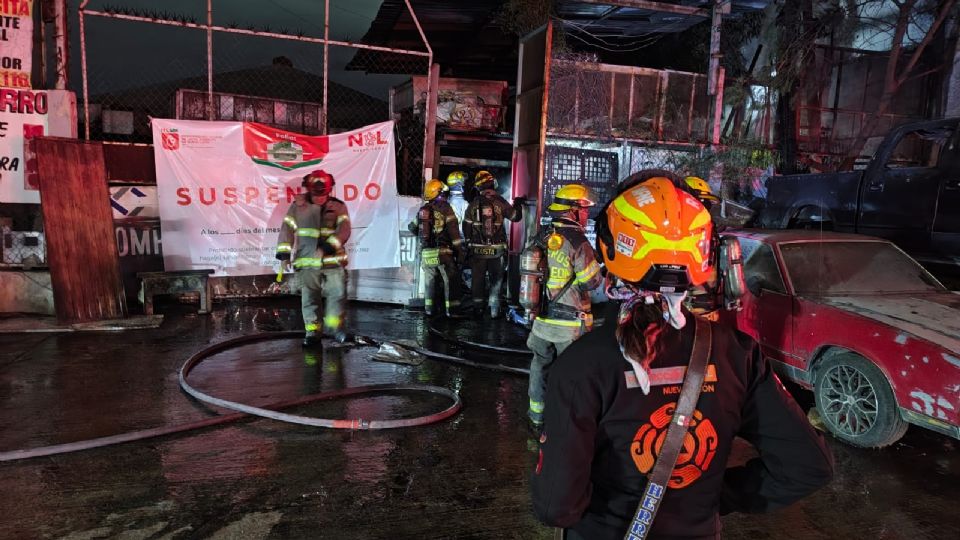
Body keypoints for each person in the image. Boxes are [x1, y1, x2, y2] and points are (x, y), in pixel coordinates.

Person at [532, 176, 833, 539]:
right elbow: (809, 467)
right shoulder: (738, 355)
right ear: (703, 256)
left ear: (610, 249)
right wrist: (709, 496)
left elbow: (556, 506)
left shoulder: (581, 365)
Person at [525, 184, 603, 427]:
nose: (587, 215)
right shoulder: (578, 240)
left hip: (540, 319)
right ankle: (563, 422)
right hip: (569, 324)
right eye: (585, 210)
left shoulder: (541, 235)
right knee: (570, 371)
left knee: (540, 365)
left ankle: (537, 415)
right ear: (573, 211)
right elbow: (591, 283)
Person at [275, 170, 351, 348]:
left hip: (333, 262)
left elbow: (344, 230)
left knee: (337, 295)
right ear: (309, 190)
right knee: (310, 299)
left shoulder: (338, 206)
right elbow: (286, 230)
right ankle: (312, 333)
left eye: (324, 194)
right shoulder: (297, 207)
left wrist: (326, 248)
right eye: (316, 194)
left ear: (329, 189)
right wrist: (284, 256)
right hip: (307, 262)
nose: (320, 198)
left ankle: (334, 329)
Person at [461, 170, 524, 318]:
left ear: (478, 187)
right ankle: (494, 310)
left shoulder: (474, 203)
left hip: (477, 250)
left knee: (478, 279)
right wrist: (518, 204)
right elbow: (515, 217)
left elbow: (466, 226)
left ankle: (478, 309)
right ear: (492, 183)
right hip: (497, 250)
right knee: (496, 278)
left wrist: (469, 243)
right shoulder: (500, 201)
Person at [409, 179, 466, 317]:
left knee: (430, 283)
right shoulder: (446, 208)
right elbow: (454, 232)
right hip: (443, 253)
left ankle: (429, 310)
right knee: (451, 281)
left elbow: (411, 227)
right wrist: (460, 251)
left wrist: (424, 237)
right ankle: (451, 312)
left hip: (426, 254)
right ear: (438, 193)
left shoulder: (423, 211)